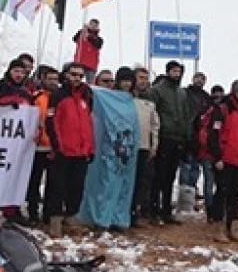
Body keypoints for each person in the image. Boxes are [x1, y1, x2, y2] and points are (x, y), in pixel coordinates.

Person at [79, 68, 138, 233]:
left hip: (127, 148)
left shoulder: (131, 101)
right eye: (124, 80)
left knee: (124, 186)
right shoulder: (106, 97)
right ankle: (101, 218)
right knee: (106, 184)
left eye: (129, 81)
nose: (126, 84)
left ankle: (118, 218)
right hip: (110, 147)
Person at [45, 62, 95, 237]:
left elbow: (88, 124)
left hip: (81, 152)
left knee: (77, 188)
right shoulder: (58, 95)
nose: (77, 79)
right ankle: (55, 222)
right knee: (58, 187)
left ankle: (71, 218)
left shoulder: (86, 96)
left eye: (80, 76)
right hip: (63, 150)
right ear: (65, 75)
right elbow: (51, 122)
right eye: (73, 75)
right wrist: (57, 146)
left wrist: (91, 148)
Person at [207, 80, 238, 242]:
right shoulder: (223, 109)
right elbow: (213, 135)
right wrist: (217, 157)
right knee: (222, 192)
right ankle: (218, 227)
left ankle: (232, 226)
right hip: (225, 159)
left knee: (235, 194)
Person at [148, 60, 192, 225]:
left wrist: (187, 136)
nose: (176, 74)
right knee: (158, 176)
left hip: (177, 139)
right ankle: (153, 210)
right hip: (163, 137)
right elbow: (152, 113)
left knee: (170, 177)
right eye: (174, 71)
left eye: (179, 72)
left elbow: (186, 115)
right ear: (168, 72)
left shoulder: (182, 93)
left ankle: (166, 210)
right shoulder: (157, 90)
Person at [27, 66, 60, 225]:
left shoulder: (60, 98)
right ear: (43, 79)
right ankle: (33, 212)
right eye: (50, 79)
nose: (53, 82)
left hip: (55, 145)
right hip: (39, 145)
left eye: (55, 79)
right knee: (35, 180)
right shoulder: (36, 97)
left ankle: (48, 214)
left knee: (53, 183)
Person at [128, 66, 160, 227]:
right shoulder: (125, 99)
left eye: (146, 78)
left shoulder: (150, 102)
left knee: (142, 183)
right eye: (140, 78)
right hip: (127, 147)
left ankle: (135, 214)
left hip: (144, 147)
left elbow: (155, 125)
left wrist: (154, 145)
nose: (144, 81)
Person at [181, 73, 213, 212]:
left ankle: (190, 202)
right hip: (186, 137)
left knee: (194, 172)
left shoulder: (207, 98)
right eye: (197, 78)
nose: (199, 81)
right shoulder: (185, 93)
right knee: (185, 172)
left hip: (200, 140)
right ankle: (183, 205)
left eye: (202, 79)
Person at [193, 84, 224, 223]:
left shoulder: (206, 110)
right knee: (212, 182)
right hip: (210, 152)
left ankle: (212, 210)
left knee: (211, 182)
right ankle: (212, 210)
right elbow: (212, 134)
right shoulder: (214, 111)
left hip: (208, 152)